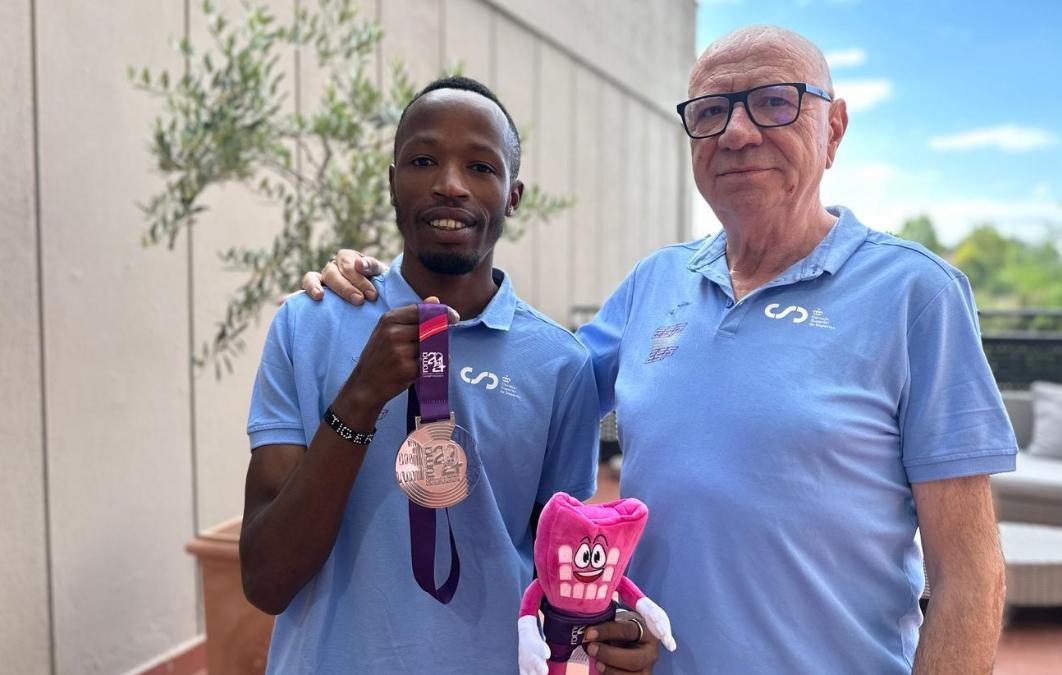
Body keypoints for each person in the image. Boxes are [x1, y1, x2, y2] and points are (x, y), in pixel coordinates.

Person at [308, 26, 1017, 674]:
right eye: (710, 112)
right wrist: (382, 284)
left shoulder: (914, 295)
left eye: (774, 102)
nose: (737, 132)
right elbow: (522, 368)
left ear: (833, 128)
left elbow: (968, 575)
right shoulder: (657, 283)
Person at [243, 75, 660, 674]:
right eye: (422, 160)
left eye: (481, 167)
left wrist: (614, 628)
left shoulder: (559, 366)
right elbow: (266, 580)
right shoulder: (307, 326)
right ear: (392, 184)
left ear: (514, 196)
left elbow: (560, 573)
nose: (449, 184)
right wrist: (360, 398)